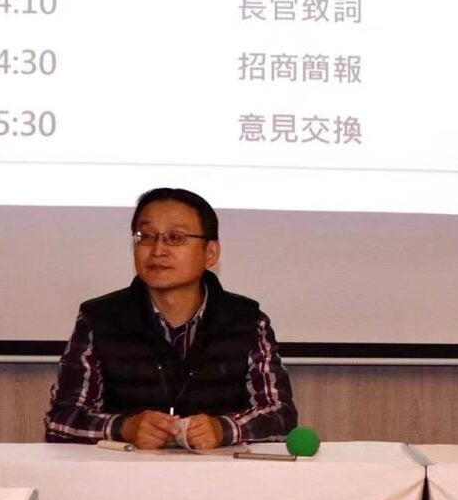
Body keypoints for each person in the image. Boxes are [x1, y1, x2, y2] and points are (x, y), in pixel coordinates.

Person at [45, 188, 297, 449]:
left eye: (175, 238)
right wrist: (125, 428)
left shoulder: (247, 321)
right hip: (125, 470)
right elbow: (60, 419)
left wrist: (224, 429)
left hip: (218, 471)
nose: (157, 250)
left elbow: (281, 416)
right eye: (146, 236)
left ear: (211, 253)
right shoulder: (100, 319)